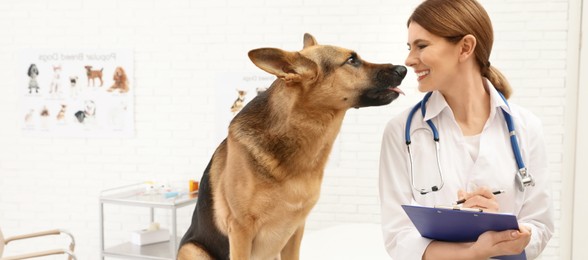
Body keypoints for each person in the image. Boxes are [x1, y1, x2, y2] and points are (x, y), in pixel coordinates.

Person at [378, 0, 554, 259]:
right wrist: (473, 251)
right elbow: (398, 237)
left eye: (422, 46)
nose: (409, 60)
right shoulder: (401, 132)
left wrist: (507, 231)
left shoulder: (526, 127)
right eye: (409, 47)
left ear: (465, 48)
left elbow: (540, 226)